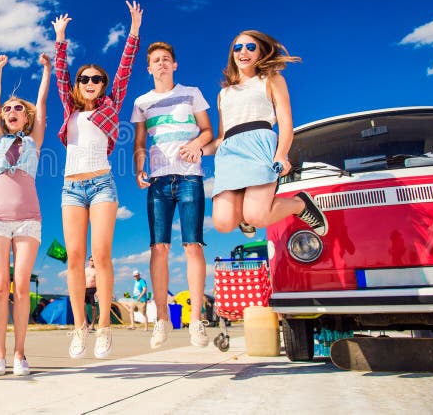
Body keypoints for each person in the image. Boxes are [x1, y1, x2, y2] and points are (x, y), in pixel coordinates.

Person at [52, 0, 142, 359]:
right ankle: (80, 328)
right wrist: (60, 38)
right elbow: (60, 72)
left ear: (103, 86)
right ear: (78, 85)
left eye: (97, 79)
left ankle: (104, 326)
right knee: (74, 259)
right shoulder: (69, 109)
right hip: (71, 188)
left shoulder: (110, 106)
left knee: (101, 256)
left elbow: (125, 68)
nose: (90, 83)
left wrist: (133, 31)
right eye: (84, 79)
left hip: (102, 184)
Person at [204, 30, 328, 241]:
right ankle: (244, 211)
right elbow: (221, 138)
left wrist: (281, 154)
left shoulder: (271, 79)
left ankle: (300, 204)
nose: (243, 52)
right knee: (223, 223)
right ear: (232, 54)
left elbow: (286, 122)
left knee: (258, 217)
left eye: (250, 47)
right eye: (238, 48)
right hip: (229, 155)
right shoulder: (223, 94)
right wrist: (198, 150)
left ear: (260, 53)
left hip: (259, 146)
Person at [131, 40, 213, 348]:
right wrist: (139, 167)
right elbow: (139, 143)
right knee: (159, 248)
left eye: (167, 59)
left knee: (193, 246)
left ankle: (196, 320)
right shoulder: (142, 102)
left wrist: (196, 146)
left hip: (191, 178)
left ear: (174, 65)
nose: (162, 63)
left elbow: (207, 131)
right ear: (149, 68)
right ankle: (162, 319)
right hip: (158, 181)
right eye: (156, 60)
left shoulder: (191, 93)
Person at [0, 52, 51, 377]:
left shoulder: (34, 141)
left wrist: (47, 71)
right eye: (8, 109)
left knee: (21, 287)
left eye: (18, 109)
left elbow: (42, 101)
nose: (11, 111)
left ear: (27, 117)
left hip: (28, 220)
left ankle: (20, 354)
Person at [84, 256, 98, 328]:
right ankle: (85, 323)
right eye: (91, 260)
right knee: (83, 306)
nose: (92, 262)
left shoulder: (97, 270)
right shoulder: (85, 270)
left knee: (93, 308)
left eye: (94, 260)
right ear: (88, 261)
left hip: (93, 290)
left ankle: (92, 324)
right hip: (84, 289)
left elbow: (99, 282)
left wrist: (97, 291)